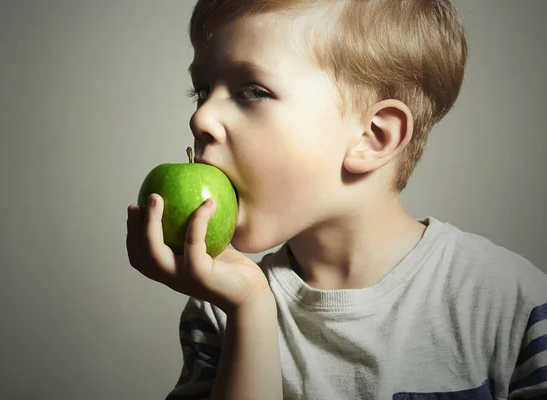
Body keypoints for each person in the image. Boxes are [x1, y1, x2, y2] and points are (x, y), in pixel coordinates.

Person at [126, 0, 547, 399]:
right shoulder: (220, 308)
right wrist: (249, 311)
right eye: (201, 91)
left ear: (372, 137)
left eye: (252, 90)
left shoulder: (512, 306)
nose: (199, 118)